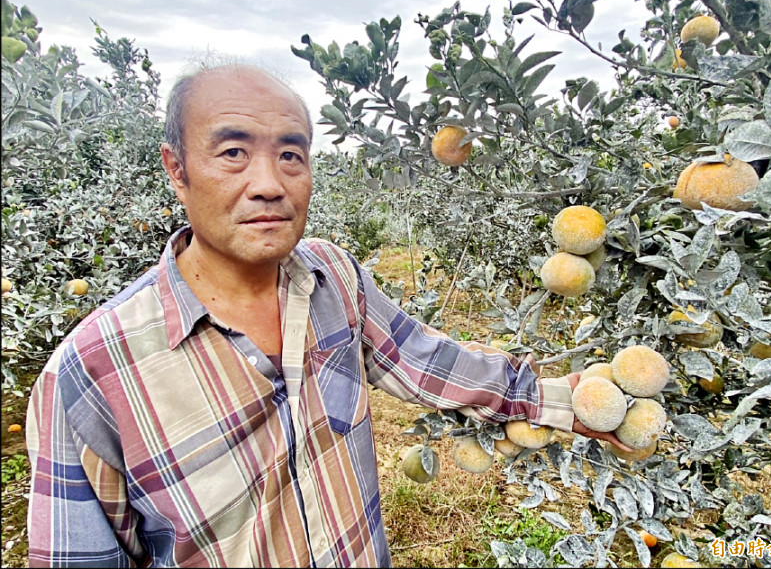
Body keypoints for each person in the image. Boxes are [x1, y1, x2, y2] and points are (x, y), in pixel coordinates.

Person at [26, 62, 633, 568]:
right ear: (176, 169)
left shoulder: (332, 278)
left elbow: (426, 362)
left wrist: (560, 401)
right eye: (233, 151)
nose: (269, 183)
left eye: (291, 155)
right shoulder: (88, 374)